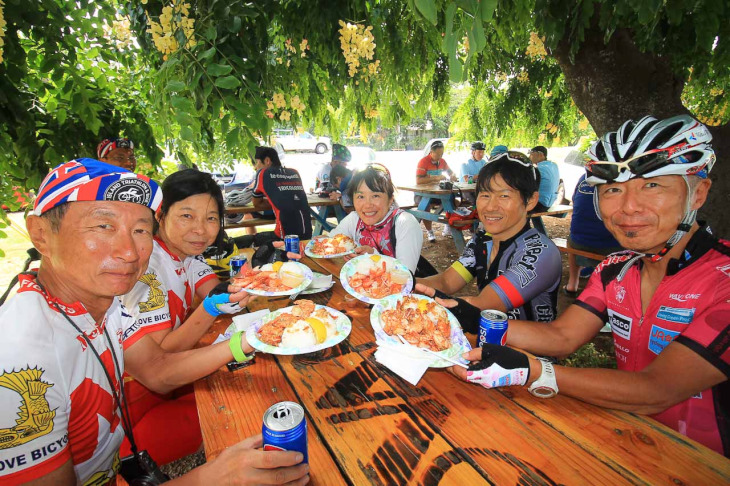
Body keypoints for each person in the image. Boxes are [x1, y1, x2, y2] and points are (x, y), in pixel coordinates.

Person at [0, 158, 309, 484]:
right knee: (245, 415)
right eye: (104, 226)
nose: (129, 252)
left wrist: (254, 312)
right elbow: (162, 369)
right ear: (40, 234)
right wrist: (211, 479)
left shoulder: (101, 303)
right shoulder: (19, 356)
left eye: (139, 230)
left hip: (119, 451)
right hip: (138, 425)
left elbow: (161, 364)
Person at [446, 115, 729, 458]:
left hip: (705, 462)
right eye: (613, 189)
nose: (628, 206)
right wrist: (463, 315)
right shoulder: (615, 269)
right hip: (630, 440)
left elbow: (657, 390)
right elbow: (561, 337)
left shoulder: (722, 281)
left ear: (698, 193)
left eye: (652, 185)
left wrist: (536, 370)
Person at [119, 169, 232, 464]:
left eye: (210, 218)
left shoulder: (185, 254)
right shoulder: (148, 268)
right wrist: (211, 308)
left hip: (160, 392)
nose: (201, 229)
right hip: (131, 416)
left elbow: (217, 290)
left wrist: (250, 283)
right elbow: (162, 356)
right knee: (237, 402)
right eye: (186, 216)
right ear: (161, 214)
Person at [416, 151, 561, 323]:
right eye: (485, 195)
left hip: (525, 349)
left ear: (530, 200)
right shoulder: (482, 241)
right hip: (488, 340)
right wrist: (401, 281)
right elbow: (447, 281)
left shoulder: (540, 253)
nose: (491, 207)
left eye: (504, 196)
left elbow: (483, 305)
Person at [328, 164, 424, 274]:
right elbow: (331, 241)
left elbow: (404, 275)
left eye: (375, 196)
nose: (367, 205)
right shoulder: (354, 218)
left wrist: (373, 256)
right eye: (361, 197)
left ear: (390, 199)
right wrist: (322, 242)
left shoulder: (405, 223)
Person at [564, 172, 622, 295]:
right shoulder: (622, 180)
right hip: (612, 247)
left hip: (578, 242)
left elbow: (575, 201)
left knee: (572, 238)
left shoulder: (583, 178)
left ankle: (572, 284)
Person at [252, 145, 313, 240]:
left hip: (284, 237)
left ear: (267, 161)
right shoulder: (294, 172)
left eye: (257, 162)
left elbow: (256, 203)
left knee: (247, 242)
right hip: (307, 234)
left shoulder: (263, 173)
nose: (255, 167)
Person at [416, 140, 457, 242]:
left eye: (442, 154)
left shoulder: (442, 161)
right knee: (426, 206)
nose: (440, 156)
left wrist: (453, 176)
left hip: (437, 193)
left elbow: (451, 172)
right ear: (431, 152)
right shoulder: (423, 162)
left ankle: (449, 225)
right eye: (438, 154)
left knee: (454, 201)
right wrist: (435, 178)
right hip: (422, 193)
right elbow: (419, 181)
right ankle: (429, 231)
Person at [529, 145, 560, 212]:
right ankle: (537, 223)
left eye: (532, 154)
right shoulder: (553, 165)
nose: (529, 157)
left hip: (540, 204)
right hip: (549, 203)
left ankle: (525, 222)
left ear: (540, 154)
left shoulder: (540, 169)